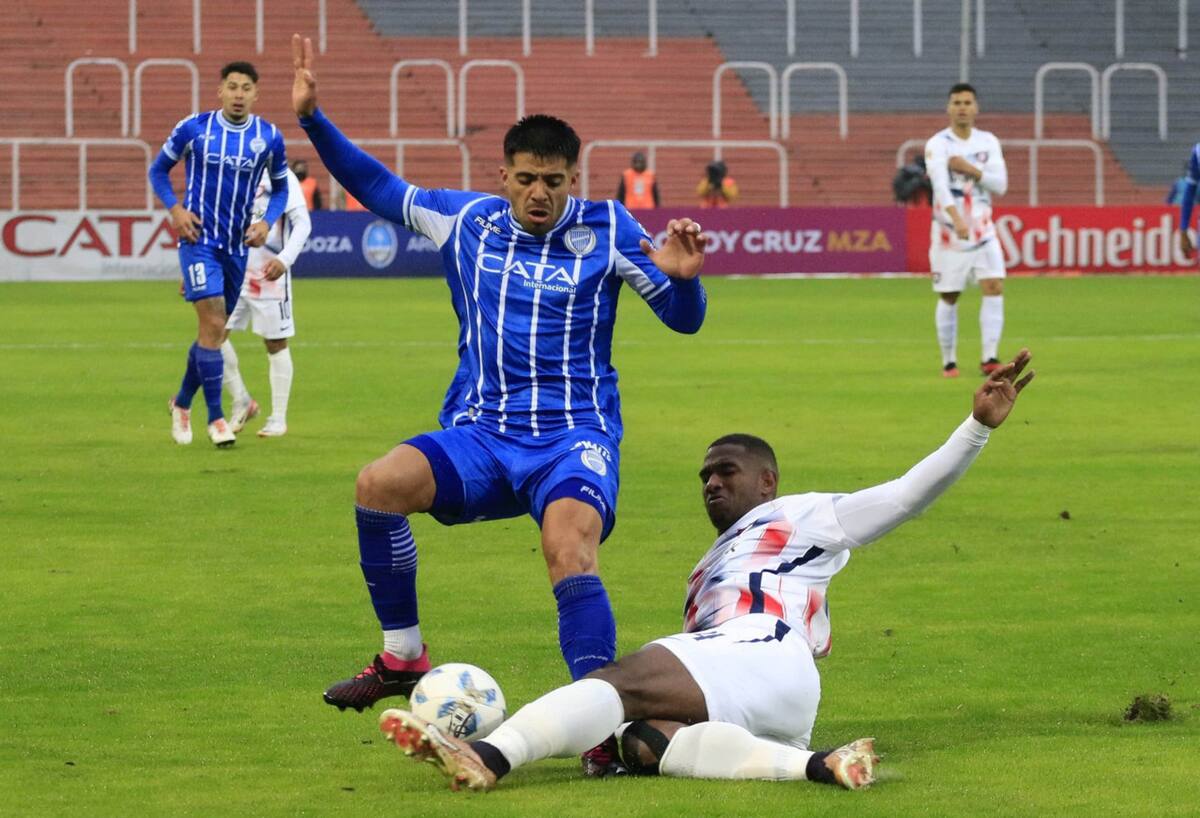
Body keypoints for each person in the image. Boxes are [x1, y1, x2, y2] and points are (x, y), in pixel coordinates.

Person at [290, 35, 709, 774]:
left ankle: (597, 725)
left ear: (573, 178)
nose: (538, 192)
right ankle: (402, 658)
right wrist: (314, 120)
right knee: (378, 485)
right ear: (503, 176)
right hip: (483, 435)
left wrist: (683, 280)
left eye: (552, 180)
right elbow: (377, 186)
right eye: (525, 179)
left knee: (569, 548)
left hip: (573, 436)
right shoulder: (467, 220)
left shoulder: (610, 228)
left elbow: (684, 321)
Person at [377, 350, 1037, 792]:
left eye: (727, 472)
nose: (712, 484)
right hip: (772, 694)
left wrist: (976, 428)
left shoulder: (800, 515)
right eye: (704, 477)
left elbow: (905, 495)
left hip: (764, 647)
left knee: (620, 681)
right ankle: (818, 765)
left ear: (767, 480)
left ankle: (487, 757)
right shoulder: (707, 571)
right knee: (642, 740)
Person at [150, 61, 289, 447]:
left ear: (256, 94)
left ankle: (181, 403)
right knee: (213, 322)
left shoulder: (269, 137)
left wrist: (267, 222)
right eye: (232, 87)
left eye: (246, 88)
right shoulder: (194, 128)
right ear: (220, 91)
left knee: (211, 332)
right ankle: (216, 419)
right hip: (198, 241)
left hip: (236, 248)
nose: (238, 94)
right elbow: (158, 171)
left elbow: (280, 189)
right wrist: (175, 210)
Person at [221, 165, 312, 438]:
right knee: (212, 336)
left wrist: (284, 260)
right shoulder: (232, 169)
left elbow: (303, 223)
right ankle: (242, 400)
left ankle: (278, 419)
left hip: (268, 273)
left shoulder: (281, 176)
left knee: (275, 343)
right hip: (233, 271)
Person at [925, 83, 1008, 379]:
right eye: (957, 103)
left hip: (983, 229)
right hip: (949, 232)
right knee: (949, 294)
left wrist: (970, 169)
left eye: (967, 102)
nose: (962, 108)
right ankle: (949, 361)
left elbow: (1000, 185)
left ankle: (990, 358)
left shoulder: (988, 142)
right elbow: (939, 186)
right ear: (948, 108)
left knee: (994, 286)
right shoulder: (937, 144)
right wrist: (956, 218)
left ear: (976, 108)